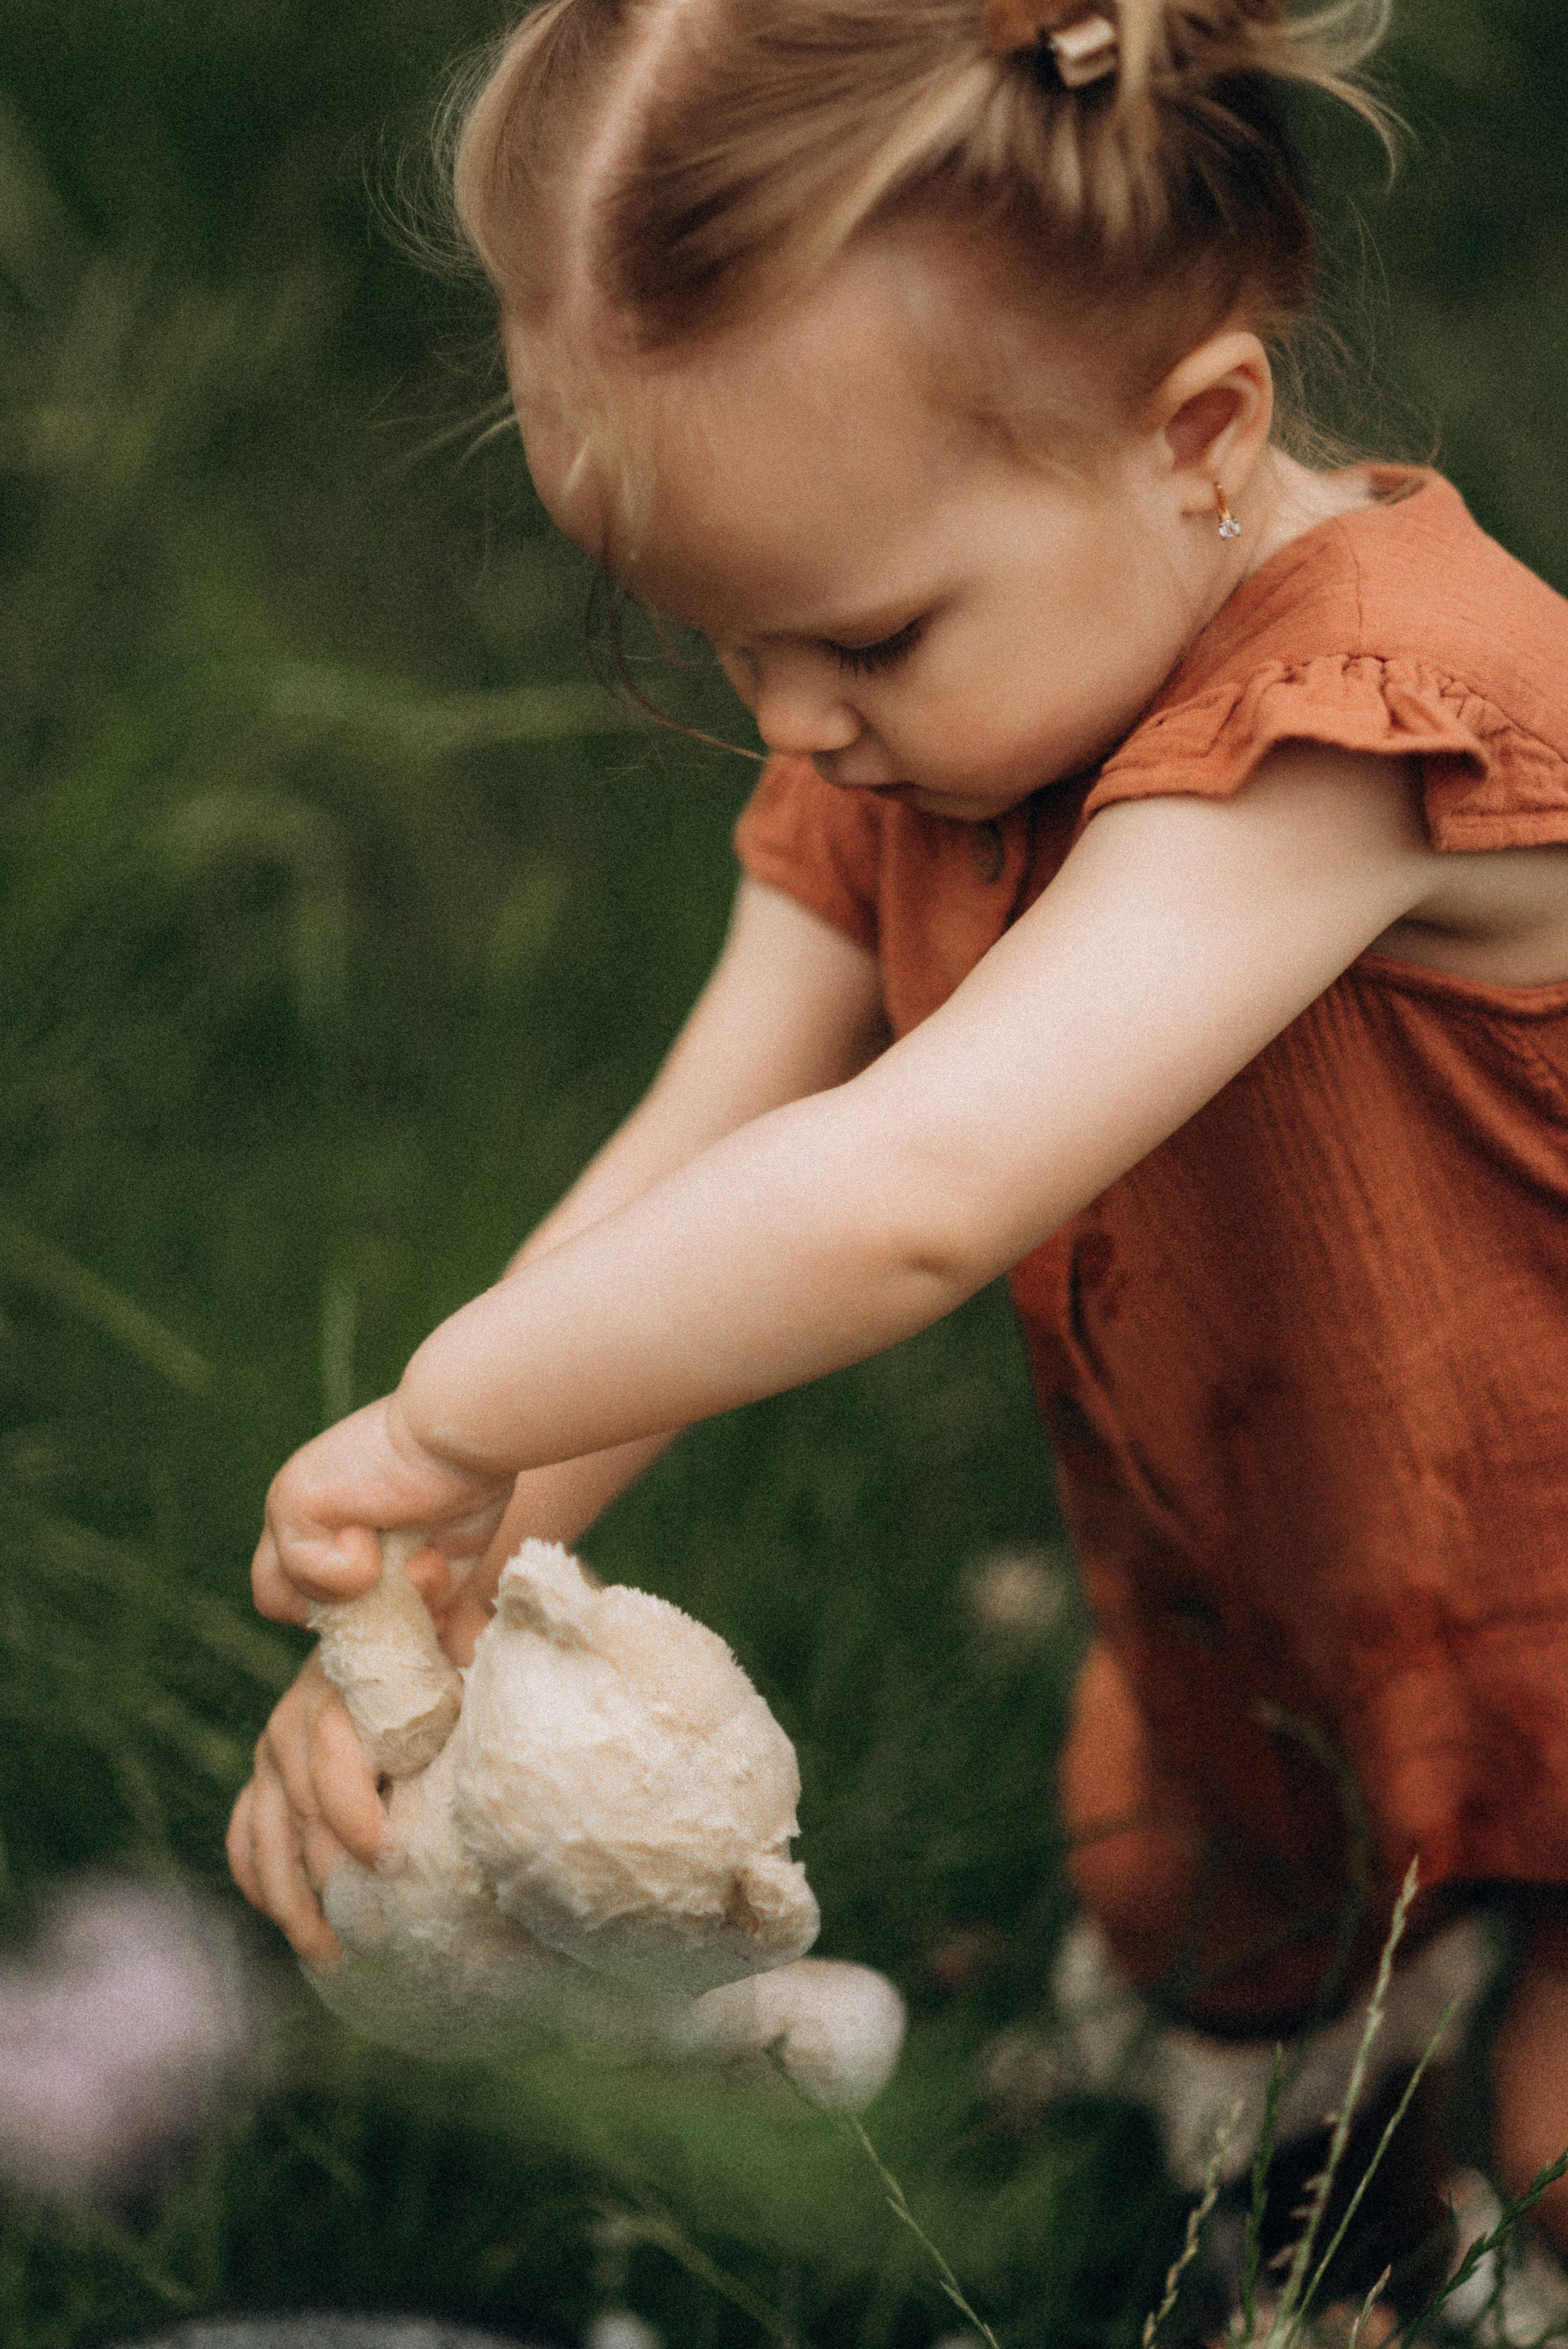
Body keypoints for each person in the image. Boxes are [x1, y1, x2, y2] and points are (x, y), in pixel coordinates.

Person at [226, 0, 1568, 2257]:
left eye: (858, 631)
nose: (793, 719)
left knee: (1552, 2128)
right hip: (1291, 1563)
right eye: (724, 641)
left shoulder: (1359, 738)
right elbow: (695, 1152)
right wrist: (428, 1595)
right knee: (1207, 1968)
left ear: (1199, 434)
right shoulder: (925, 740)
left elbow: (907, 1196)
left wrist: (449, 1409)